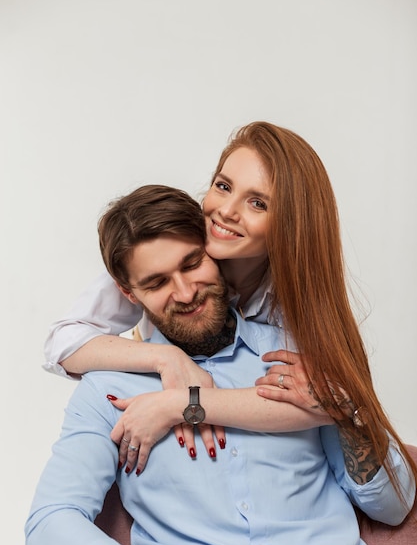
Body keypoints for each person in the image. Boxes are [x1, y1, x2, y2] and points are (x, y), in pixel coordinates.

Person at [26, 185, 415, 545]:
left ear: (216, 252)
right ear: (129, 294)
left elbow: (393, 507)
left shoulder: (297, 355)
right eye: (156, 283)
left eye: (192, 263)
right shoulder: (106, 390)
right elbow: (51, 521)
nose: (186, 293)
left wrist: (346, 407)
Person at [42, 121, 417, 492]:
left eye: (257, 203)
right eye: (223, 187)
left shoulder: (296, 304)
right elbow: (63, 343)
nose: (226, 212)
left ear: (289, 225)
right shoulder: (172, 244)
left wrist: (183, 405)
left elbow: (312, 405)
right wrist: (168, 360)